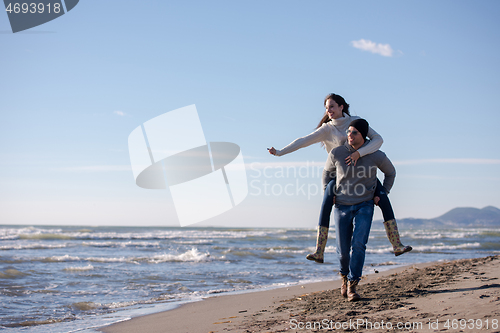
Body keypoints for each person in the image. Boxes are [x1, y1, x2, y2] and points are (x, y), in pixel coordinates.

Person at [268, 93, 411, 262]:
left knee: (384, 198)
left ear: (341, 106)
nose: (328, 111)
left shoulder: (356, 122)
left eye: (332, 107)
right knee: (326, 202)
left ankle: (397, 245)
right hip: (339, 175)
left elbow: (378, 140)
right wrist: (279, 152)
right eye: (326, 108)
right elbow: (303, 141)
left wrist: (359, 153)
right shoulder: (327, 129)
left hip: (363, 173)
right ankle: (319, 251)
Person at [325, 118, 395, 301]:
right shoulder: (337, 153)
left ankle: (353, 285)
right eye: (348, 131)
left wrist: (383, 192)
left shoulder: (376, 155)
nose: (349, 135)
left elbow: (391, 172)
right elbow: (327, 173)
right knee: (343, 250)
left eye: (354, 132)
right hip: (341, 206)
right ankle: (343, 277)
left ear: (363, 135)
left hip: (365, 204)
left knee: (358, 245)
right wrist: (329, 193)